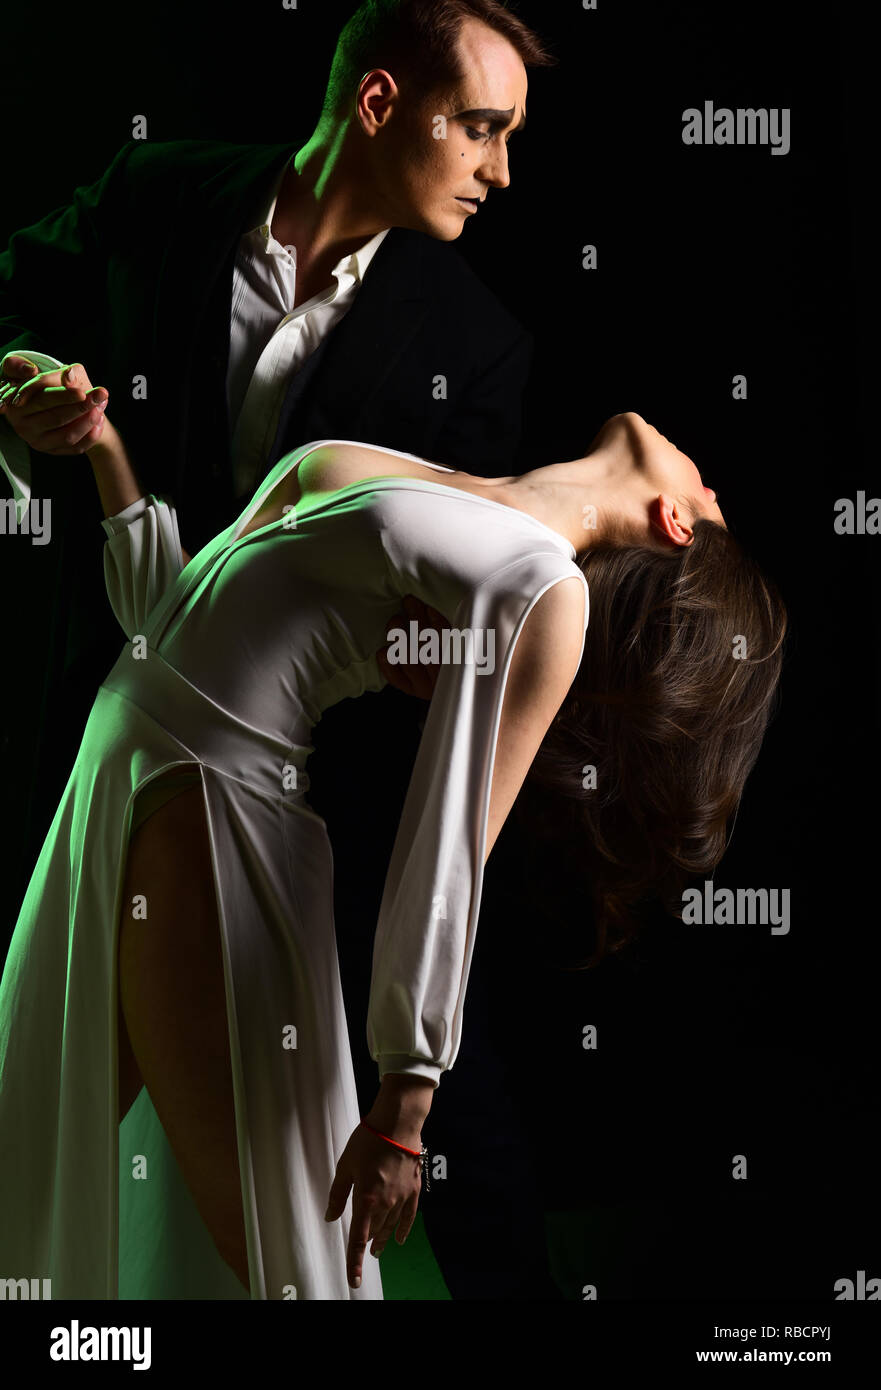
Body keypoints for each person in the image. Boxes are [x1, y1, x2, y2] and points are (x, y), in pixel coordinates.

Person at [0, 0, 564, 1297]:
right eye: (480, 127)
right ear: (377, 104)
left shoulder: (479, 345)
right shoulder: (156, 195)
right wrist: (23, 386)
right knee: (47, 1131)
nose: (501, 171)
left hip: (333, 821)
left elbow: (440, 624)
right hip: (115, 746)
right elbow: (12, 309)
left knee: (438, 1178)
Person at [0, 381, 787, 1299]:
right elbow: (166, 624)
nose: (712, 479)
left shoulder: (545, 585)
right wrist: (105, 453)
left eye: (712, 498)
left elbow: (450, 843)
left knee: (281, 1260)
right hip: (129, 765)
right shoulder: (467, 499)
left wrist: (403, 1106)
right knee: (32, 1145)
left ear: (676, 525)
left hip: (211, 805)